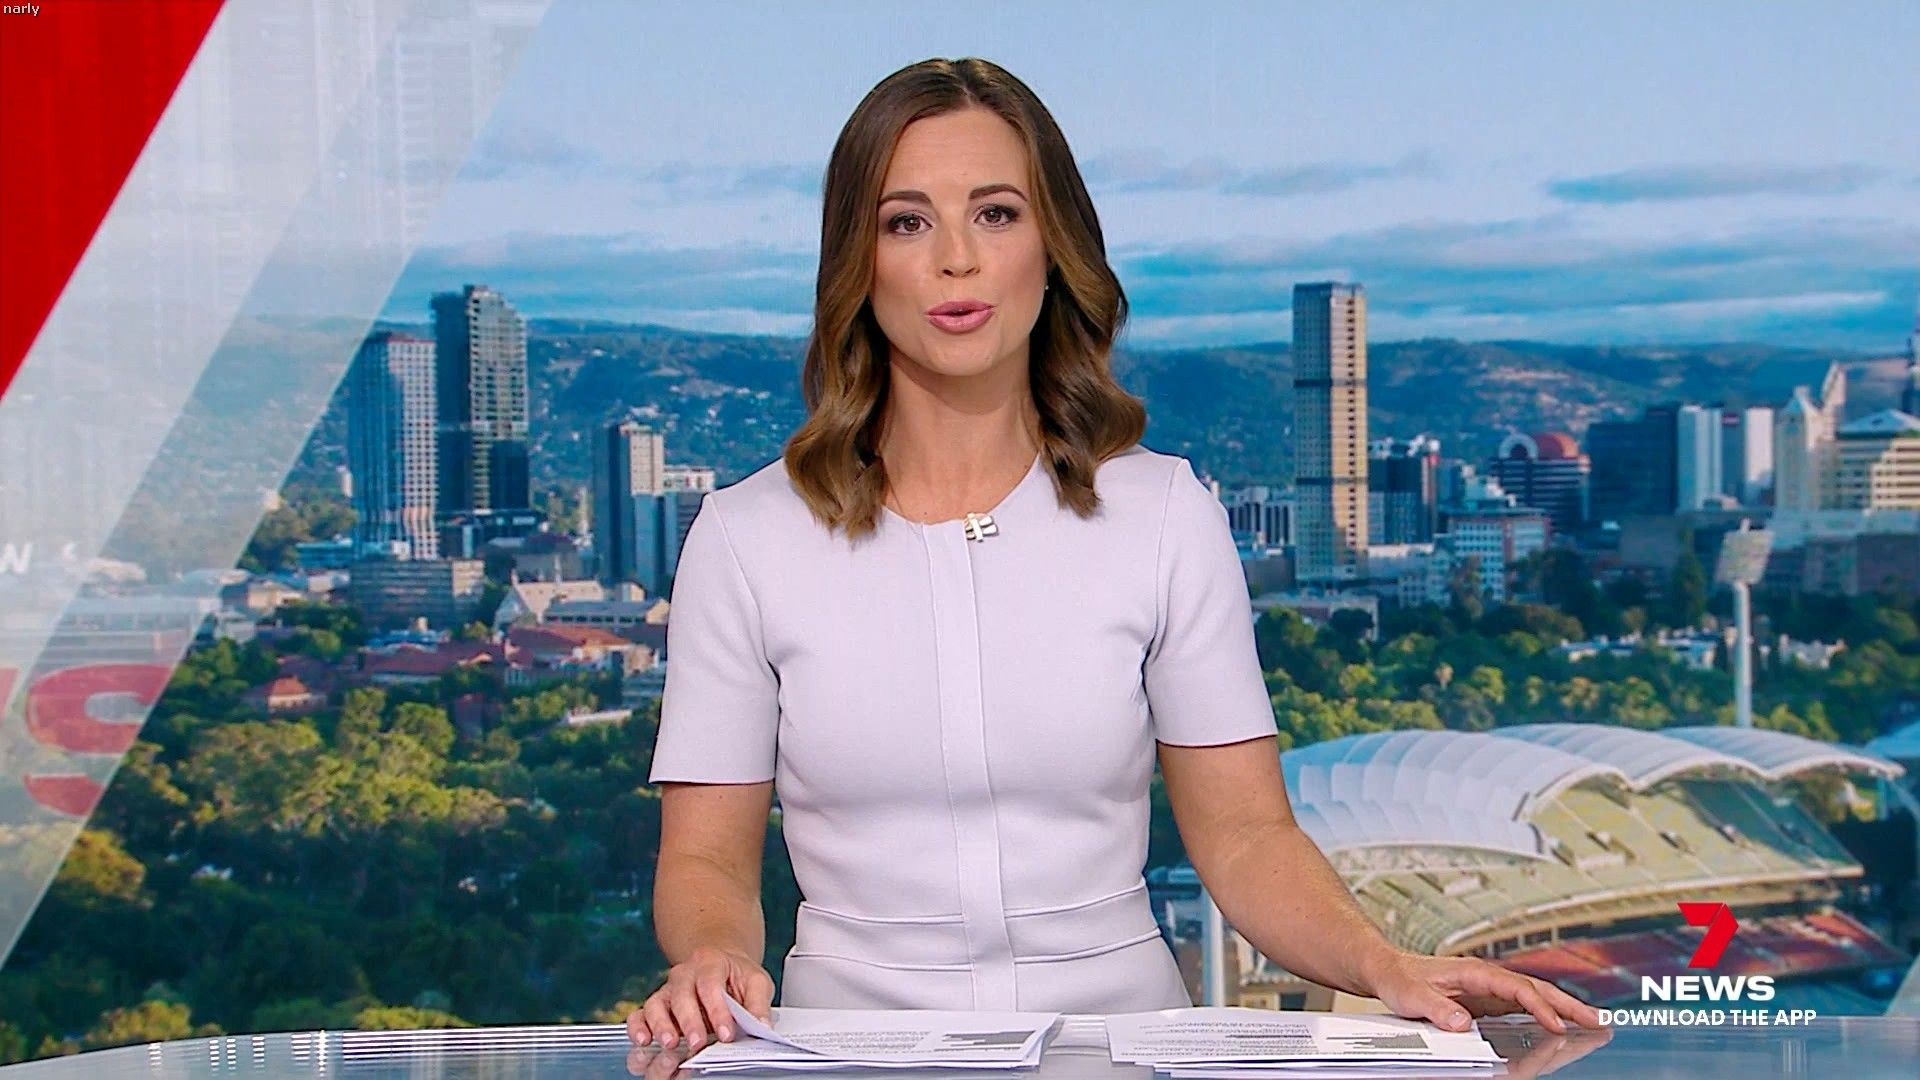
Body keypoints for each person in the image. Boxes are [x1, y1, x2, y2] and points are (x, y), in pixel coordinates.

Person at [628, 56, 1602, 1056]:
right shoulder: (747, 537)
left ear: (1054, 248)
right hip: (850, 1053)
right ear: (856, 262)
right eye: (907, 222)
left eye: (996, 214)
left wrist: (1381, 963)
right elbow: (706, 859)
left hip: (1122, 1047)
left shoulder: (1165, 514)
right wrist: (710, 958)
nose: (957, 259)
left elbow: (1245, 837)